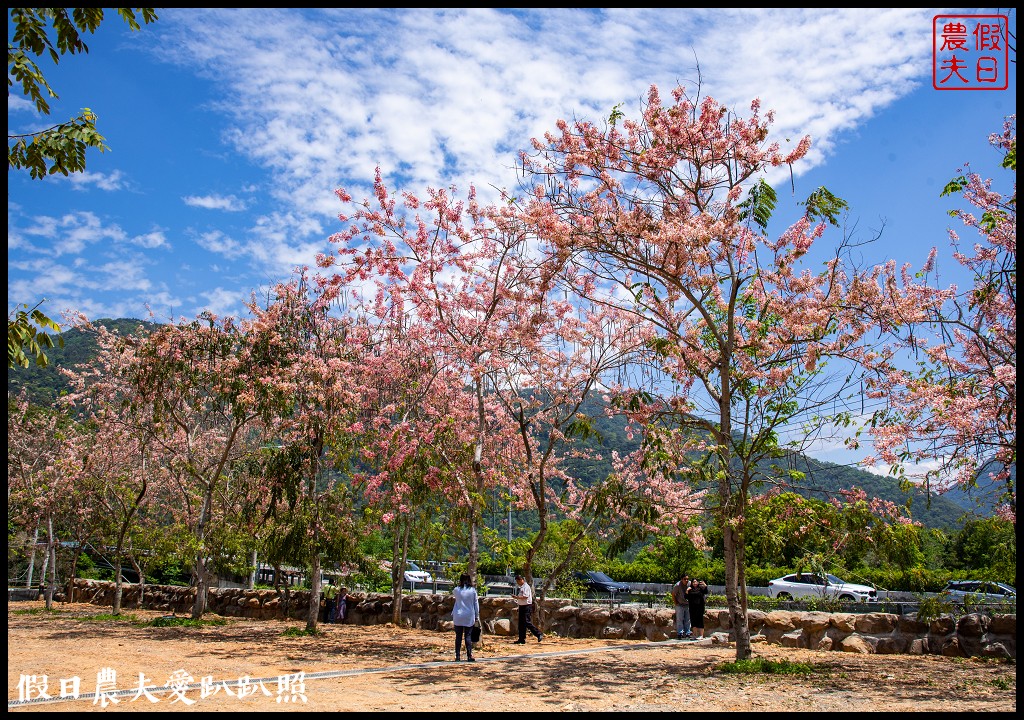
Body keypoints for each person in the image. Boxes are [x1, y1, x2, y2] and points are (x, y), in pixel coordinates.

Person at [451, 573, 480, 661]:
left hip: (458, 615)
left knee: (458, 636)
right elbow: (476, 603)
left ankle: (457, 655)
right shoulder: (472, 590)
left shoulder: (456, 590)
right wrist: (477, 616)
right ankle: (469, 655)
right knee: (468, 636)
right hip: (469, 615)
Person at [513, 574, 543, 644]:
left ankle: (538, 634)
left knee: (527, 622)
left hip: (526, 606)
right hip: (522, 606)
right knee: (521, 624)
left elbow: (525, 596)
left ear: (521, 580)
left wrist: (516, 597)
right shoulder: (522, 587)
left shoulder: (526, 587)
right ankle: (521, 639)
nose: (518, 583)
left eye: (518, 581)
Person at [671, 574, 691, 640]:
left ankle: (688, 632)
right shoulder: (677, 585)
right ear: (681, 579)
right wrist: (676, 602)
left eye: (687, 579)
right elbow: (673, 594)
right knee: (680, 619)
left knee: (687, 619)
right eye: (685, 579)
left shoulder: (690, 584)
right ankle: (680, 633)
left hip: (687, 604)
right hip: (680, 604)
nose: (686, 580)